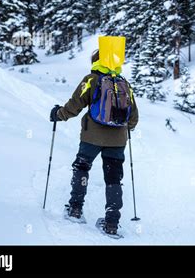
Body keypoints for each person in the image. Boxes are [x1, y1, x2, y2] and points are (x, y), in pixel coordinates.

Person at [49, 50, 138, 235]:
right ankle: (111, 223)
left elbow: (75, 104)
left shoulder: (91, 79)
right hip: (118, 140)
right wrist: (123, 128)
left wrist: (59, 114)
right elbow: (134, 117)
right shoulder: (124, 83)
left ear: (96, 61)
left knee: (82, 167)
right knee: (114, 177)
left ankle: (75, 209)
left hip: (92, 137)